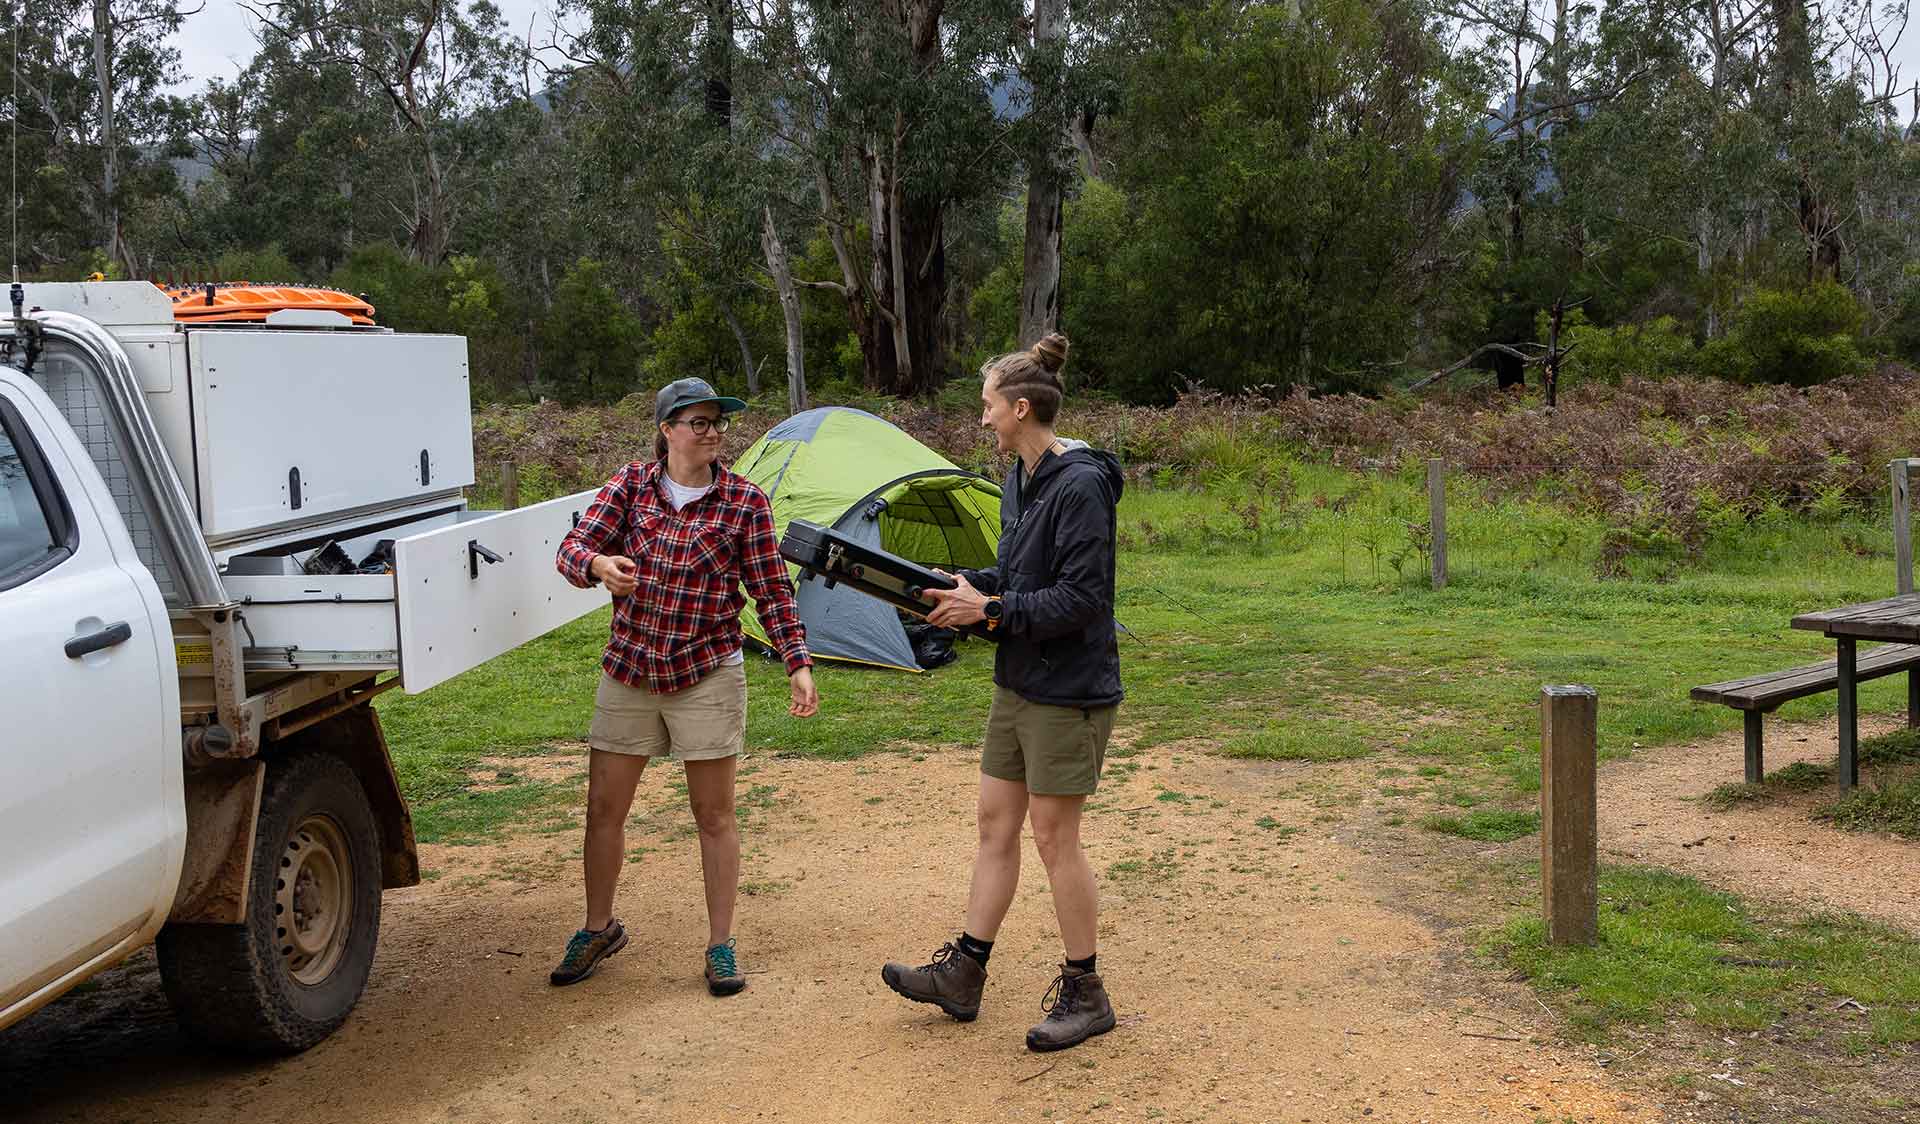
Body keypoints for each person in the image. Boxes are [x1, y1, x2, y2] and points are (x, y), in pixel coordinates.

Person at [880, 332, 1126, 1052]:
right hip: (1019, 679)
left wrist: (989, 611)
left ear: (1021, 407)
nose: (982, 418)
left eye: (988, 406)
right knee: (995, 826)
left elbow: (1081, 599)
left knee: (1055, 837)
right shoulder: (1021, 478)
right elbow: (1018, 575)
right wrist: (968, 588)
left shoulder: (1079, 485)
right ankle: (965, 972)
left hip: (1069, 687)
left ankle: (1087, 991)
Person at [550, 377, 819, 995]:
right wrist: (597, 567)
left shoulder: (745, 501)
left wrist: (795, 660)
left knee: (714, 814)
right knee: (603, 809)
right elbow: (572, 548)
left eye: (717, 422)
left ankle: (721, 945)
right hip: (631, 668)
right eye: (698, 422)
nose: (713, 432)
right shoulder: (630, 486)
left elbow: (771, 589)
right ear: (667, 429)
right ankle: (597, 928)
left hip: (708, 672)